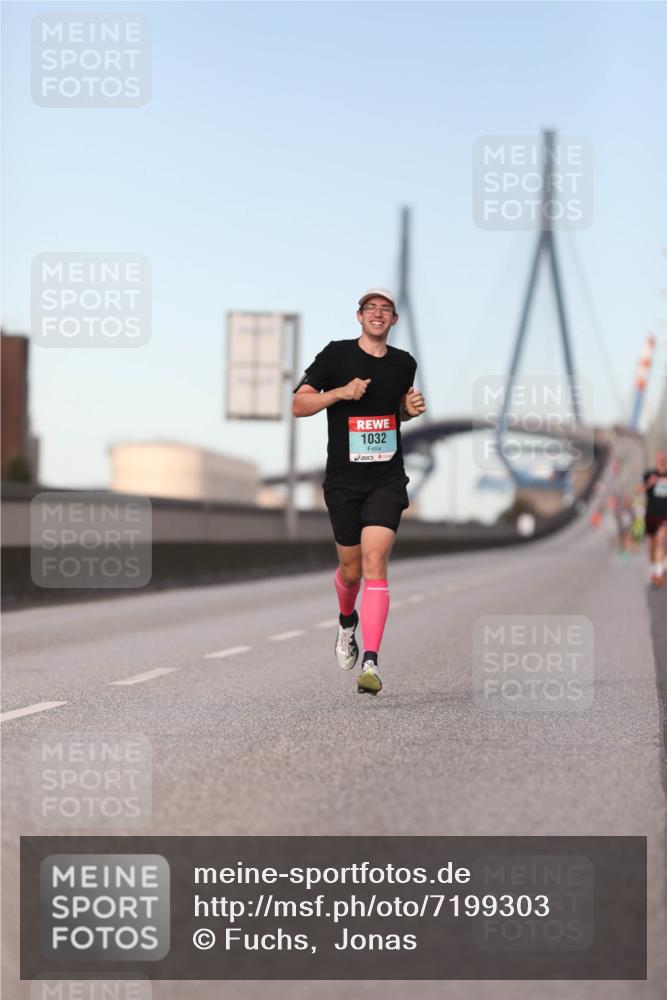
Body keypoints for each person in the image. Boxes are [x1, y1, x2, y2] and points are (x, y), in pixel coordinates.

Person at [292, 288, 426, 694]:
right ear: (359, 316)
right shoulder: (336, 355)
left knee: (374, 560)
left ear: (395, 319)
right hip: (343, 482)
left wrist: (407, 411)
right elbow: (299, 405)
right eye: (371, 308)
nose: (378, 314)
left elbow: (393, 412)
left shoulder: (405, 363)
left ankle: (371, 662)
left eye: (386, 309)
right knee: (350, 570)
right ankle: (346, 621)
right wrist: (340, 393)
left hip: (386, 479)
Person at [640, 448, 667, 587]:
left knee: (660, 542)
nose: (661, 460)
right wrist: (649, 483)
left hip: (664, 515)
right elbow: (638, 490)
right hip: (651, 514)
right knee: (652, 545)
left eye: (663, 458)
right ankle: (653, 569)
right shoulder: (649, 474)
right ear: (657, 459)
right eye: (659, 458)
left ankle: (659, 573)